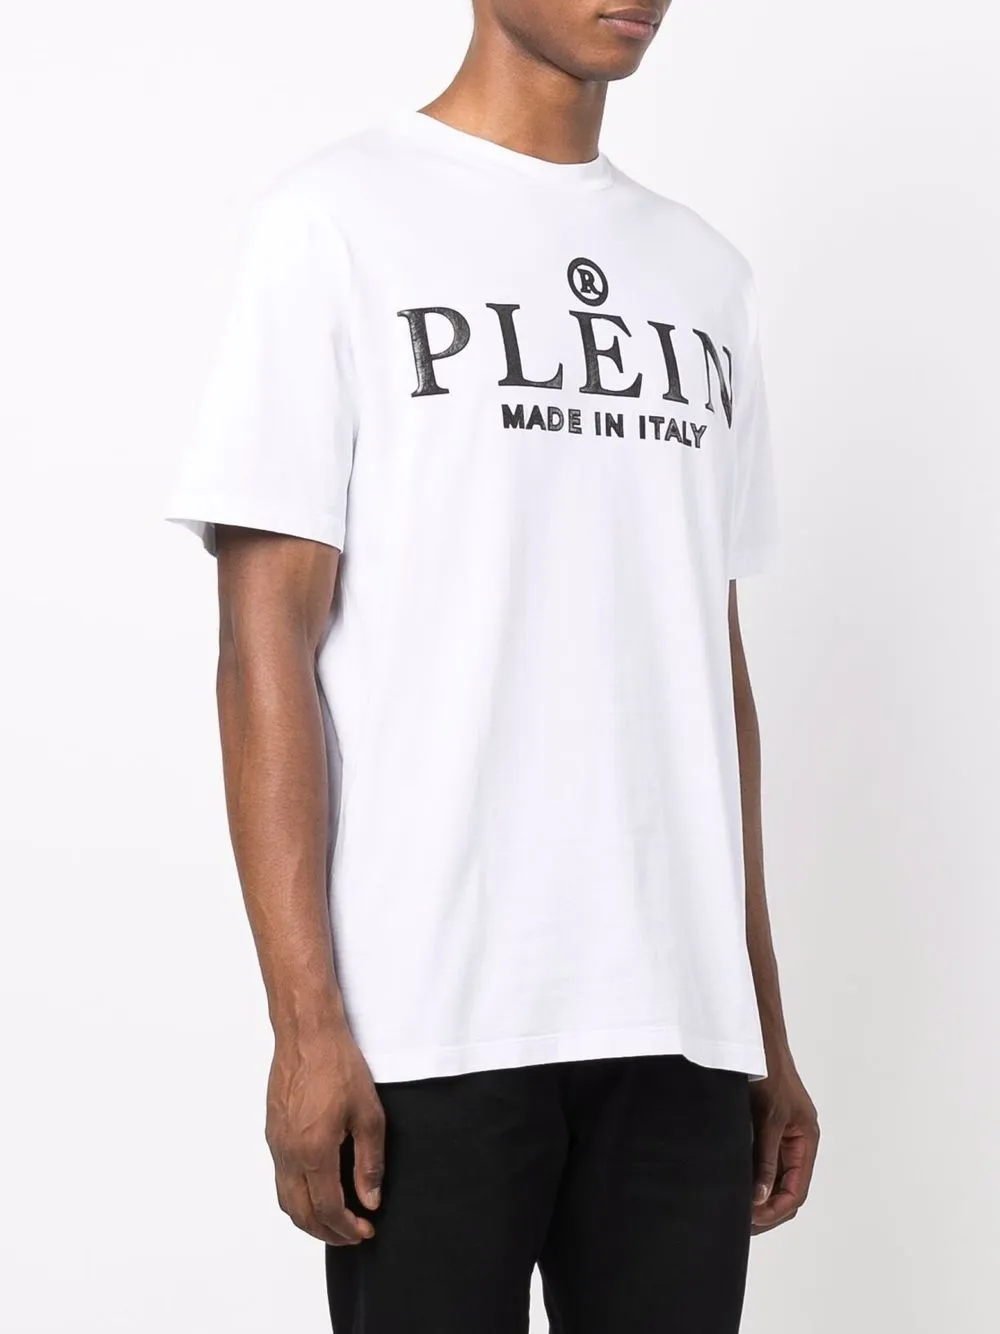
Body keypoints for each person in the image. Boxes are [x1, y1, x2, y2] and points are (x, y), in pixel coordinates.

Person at [167, 1, 820, 1329]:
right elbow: (263, 644)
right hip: (430, 1019)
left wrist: (760, 1021)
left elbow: (710, 669)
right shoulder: (336, 221)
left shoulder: (707, 278)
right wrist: (306, 1025)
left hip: (680, 1029)